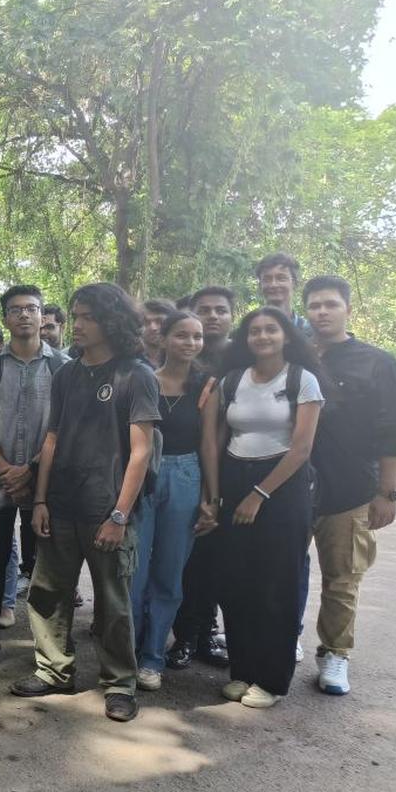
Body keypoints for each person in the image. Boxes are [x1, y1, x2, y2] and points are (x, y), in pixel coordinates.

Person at [10, 283, 159, 723]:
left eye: (86, 317)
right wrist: (39, 499)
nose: (77, 325)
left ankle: (119, 684)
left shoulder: (136, 374)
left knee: (113, 604)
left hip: (106, 510)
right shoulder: (67, 373)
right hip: (60, 504)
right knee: (47, 595)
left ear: (110, 321)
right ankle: (54, 670)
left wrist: (119, 514)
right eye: (75, 315)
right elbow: (51, 438)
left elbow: (141, 451)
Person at [209, 307, 323, 708]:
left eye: (270, 329)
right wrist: (220, 492)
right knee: (238, 582)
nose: (262, 336)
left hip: (282, 487)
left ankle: (272, 680)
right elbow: (220, 437)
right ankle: (243, 671)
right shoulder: (232, 381)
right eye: (254, 330)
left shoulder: (301, 380)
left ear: (286, 336)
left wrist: (260, 494)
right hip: (235, 479)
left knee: (277, 584)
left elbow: (302, 448)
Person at [304, 276, 396, 695]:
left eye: (330, 304)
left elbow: (394, 432)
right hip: (291, 488)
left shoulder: (377, 363)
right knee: (282, 571)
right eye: (314, 305)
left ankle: (335, 653)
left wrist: (387, 493)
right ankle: (283, 640)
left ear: (348, 309)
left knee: (343, 577)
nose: (322, 312)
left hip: (349, 491)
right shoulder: (296, 357)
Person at [0, 286, 69, 673]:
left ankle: (52, 647)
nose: (25, 315)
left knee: (51, 565)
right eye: (16, 310)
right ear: (5, 318)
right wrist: (8, 469)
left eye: (32, 309)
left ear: (43, 317)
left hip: (47, 484)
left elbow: (66, 428)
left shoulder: (63, 367)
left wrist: (32, 469)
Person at [129, 311, 218, 691]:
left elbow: (209, 442)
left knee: (169, 573)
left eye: (196, 337)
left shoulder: (207, 385)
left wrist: (210, 497)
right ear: (163, 339)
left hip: (185, 475)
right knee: (133, 572)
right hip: (143, 473)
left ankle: (152, 658)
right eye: (182, 335)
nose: (190, 343)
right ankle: (125, 654)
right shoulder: (142, 379)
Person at [167, 286, 236, 669]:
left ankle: (207, 633)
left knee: (213, 562)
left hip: (237, 471)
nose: (212, 318)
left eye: (220, 310)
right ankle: (185, 636)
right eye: (204, 311)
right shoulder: (179, 362)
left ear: (231, 316)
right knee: (186, 560)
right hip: (187, 471)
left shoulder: (241, 356)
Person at [255, 253, 310, 333]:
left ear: (294, 282)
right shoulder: (250, 332)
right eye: (267, 279)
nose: (273, 284)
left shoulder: (308, 332)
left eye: (281, 278)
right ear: (260, 285)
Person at [140, 299, 177, 367]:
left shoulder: (182, 359)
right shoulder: (129, 362)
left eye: (160, 322)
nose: (153, 328)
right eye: (146, 322)